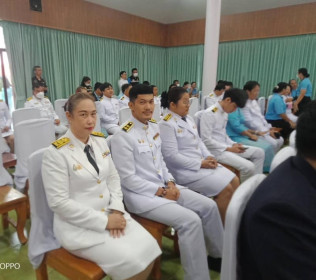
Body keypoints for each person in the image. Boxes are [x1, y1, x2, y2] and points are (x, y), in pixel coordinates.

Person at [42, 92, 161, 280]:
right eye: (83, 114)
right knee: (133, 261)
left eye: (93, 114)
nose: (90, 120)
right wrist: (104, 222)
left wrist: (117, 210)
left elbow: (113, 178)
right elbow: (58, 203)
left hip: (112, 214)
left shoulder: (100, 141)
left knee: (150, 246)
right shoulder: (56, 153)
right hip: (79, 227)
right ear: (69, 116)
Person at [111, 84, 224, 280]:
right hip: (141, 196)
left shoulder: (153, 126)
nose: (148, 107)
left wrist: (170, 182)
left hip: (164, 186)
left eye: (150, 102)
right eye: (142, 103)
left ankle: (217, 256)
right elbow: (128, 180)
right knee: (191, 221)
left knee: (209, 206)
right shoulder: (123, 136)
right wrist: (162, 191)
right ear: (131, 105)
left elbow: (161, 161)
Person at [238, 100, 316, 280]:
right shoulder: (281, 211)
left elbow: (257, 121)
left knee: (269, 143)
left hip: (249, 134)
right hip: (230, 142)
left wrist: (262, 131)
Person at [159, 87, 239, 223]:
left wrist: (208, 156)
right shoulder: (166, 124)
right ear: (172, 104)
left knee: (235, 180)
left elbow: (199, 141)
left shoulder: (188, 118)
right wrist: (201, 163)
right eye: (184, 102)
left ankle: (232, 221)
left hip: (201, 163)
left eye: (188, 102)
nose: (188, 105)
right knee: (226, 188)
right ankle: (224, 229)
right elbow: (172, 157)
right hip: (184, 171)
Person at [200, 88, 265, 182]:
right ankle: (245, 192)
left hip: (227, 147)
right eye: (234, 106)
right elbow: (206, 141)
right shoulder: (210, 113)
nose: (234, 110)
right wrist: (229, 148)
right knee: (249, 167)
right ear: (227, 100)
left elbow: (223, 135)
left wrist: (233, 144)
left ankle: (256, 183)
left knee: (259, 152)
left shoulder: (224, 112)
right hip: (216, 151)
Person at [227, 105, 275, 173]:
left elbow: (242, 126)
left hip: (242, 134)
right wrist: (251, 135)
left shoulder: (238, 108)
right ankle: (265, 170)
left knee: (268, 145)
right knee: (265, 147)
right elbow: (237, 127)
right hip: (234, 137)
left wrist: (255, 132)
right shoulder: (231, 110)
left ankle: (267, 169)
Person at [241, 81, 284, 153]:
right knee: (273, 143)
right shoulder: (243, 104)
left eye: (258, 91)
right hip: (255, 131)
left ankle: (272, 158)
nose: (257, 93)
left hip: (264, 129)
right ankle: (268, 161)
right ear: (248, 91)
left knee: (280, 140)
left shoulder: (254, 101)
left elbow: (261, 116)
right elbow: (249, 123)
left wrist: (269, 127)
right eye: (255, 91)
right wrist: (266, 132)